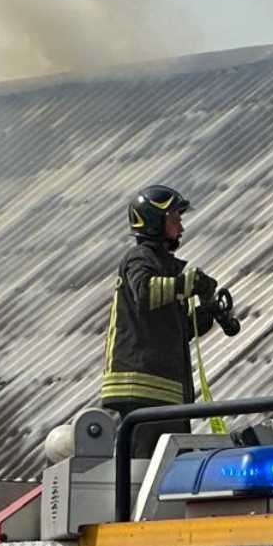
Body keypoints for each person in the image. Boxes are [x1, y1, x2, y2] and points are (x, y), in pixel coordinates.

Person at [99, 184, 234, 456]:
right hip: (141, 385)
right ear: (154, 221)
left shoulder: (166, 268)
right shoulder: (139, 258)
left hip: (166, 393)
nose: (181, 228)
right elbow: (145, 293)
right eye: (175, 220)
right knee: (143, 471)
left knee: (170, 470)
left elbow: (178, 330)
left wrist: (207, 312)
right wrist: (187, 284)